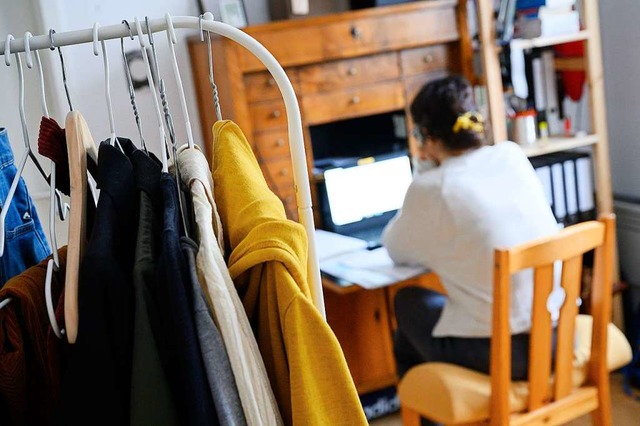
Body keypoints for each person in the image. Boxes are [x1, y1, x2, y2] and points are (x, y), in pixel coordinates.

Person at [381, 75, 559, 383]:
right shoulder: (510, 155)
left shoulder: (433, 188)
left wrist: (423, 168)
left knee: (408, 302)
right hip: (557, 338)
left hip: (507, 357)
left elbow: (395, 249)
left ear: (427, 137)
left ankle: (432, 408)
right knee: (416, 333)